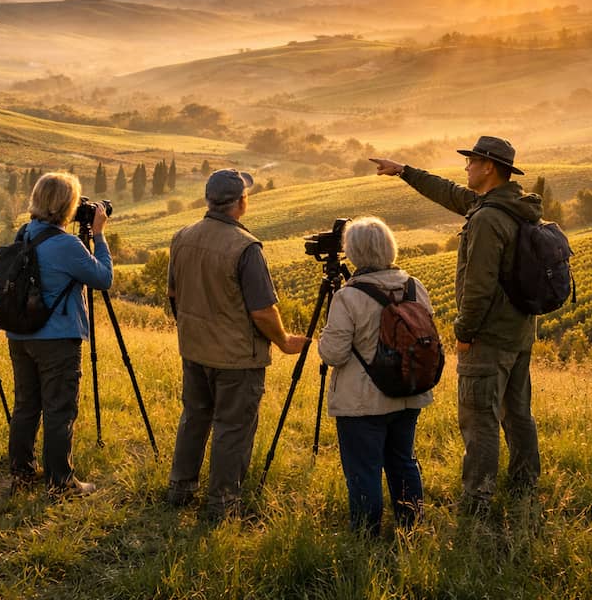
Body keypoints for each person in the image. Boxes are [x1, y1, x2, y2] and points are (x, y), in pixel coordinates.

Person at [371, 136, 542, 516]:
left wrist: (464, 334)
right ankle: (525, 485)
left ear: (488, 168)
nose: (465, 167)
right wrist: (404, 171)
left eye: (471, 161)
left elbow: (478, 288)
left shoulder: (486, 219)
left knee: (479, 416)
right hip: (519, 332)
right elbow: (447, 192)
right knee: (517, 412)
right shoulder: (510, 206)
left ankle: (477, 500)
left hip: (488, 336)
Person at [165, 168, 308, 520]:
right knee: (233, 429)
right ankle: (223, 505)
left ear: (208, 200)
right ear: (242, 203)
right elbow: (262, 311)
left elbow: (172, 294)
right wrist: (285, 341)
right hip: (237, 360)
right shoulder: (246, 247)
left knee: (194, 418)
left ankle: (180, 489)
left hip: (194, 351)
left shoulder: (182, 236)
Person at [316, 216, 433, 535]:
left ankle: (366, 534)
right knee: (403, 460)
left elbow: (333, 354)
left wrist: (322, 338)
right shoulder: (414, 285)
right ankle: (412, 526)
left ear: (352, 252)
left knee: (364, 468)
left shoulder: (348, 297)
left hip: (362, 403)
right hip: (408, 392)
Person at [6, 171, 112, 497]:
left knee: (26, 405)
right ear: (68, 205)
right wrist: (99, 236)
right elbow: (103, 278)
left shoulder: (24, 234)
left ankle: (22, 474)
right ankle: (60, 482)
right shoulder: (67, 244)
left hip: (20, 335)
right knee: (59, 410)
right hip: (57, 339)